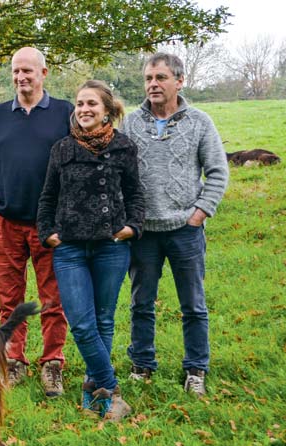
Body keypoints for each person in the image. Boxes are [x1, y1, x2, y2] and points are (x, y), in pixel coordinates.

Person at [120, 52, 229, 397]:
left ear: (179, 81)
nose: (153, 84)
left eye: (161, 78)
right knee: (141, 302)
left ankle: (196, 368)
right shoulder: (131, 124)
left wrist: (199, 212)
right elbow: (118, 173)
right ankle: (142, 364)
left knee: (193, 304)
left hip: (185, 229)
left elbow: (217, 171)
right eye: (149, 78)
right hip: (144, 232)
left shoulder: (200, 122)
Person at [37, 80, 144, 421]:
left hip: (111, 247)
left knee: (103, 320)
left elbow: (135, 194)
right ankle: (111, 390)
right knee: (82, 323)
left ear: (107, 111)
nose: (84, 109)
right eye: (80, 104)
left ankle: (92, 391)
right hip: (69, 248)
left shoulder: (124, 148)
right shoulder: (62, 149)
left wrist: (132, 227)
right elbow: (48, 197)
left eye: (91, 104)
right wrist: (48, 233)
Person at [0, 46, 72, 394]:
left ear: (44, 73)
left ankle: (52, 363)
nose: (21, 77)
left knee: (52, 298)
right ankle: (14, 360)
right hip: (7, 223)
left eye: (28, 71)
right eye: (16, 71)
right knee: (9, 298)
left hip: (50, 226)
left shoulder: (64, 113)